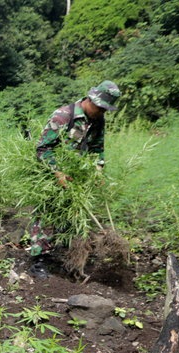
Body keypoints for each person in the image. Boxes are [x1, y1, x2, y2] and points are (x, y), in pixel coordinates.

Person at [29, 80, 121, 278]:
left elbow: (97, 149)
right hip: (52, 174)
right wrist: (57, 172)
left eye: (105, 109)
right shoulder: (63, 116)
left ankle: (67, 259)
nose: (102, 112)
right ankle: (38, 262)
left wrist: (98, 170)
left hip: (76, 175)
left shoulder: (98, 121)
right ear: (91, 99)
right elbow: (42, 149)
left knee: (71, 219)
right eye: (100, 108)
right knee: (47, 216)